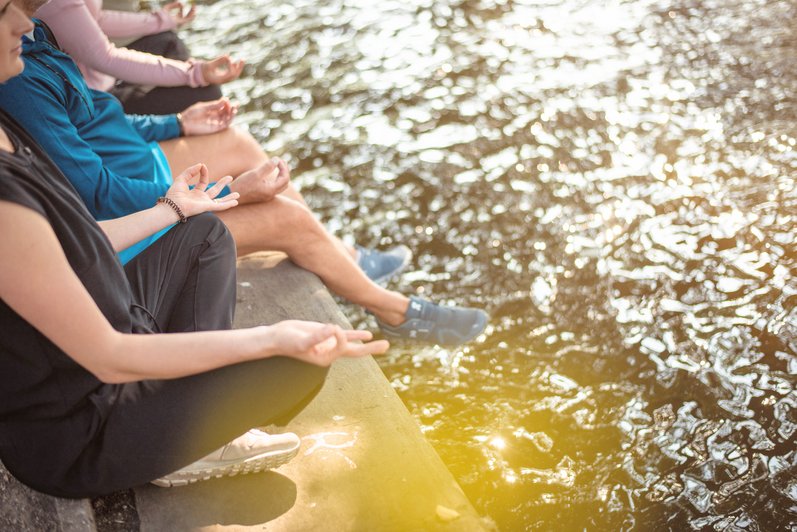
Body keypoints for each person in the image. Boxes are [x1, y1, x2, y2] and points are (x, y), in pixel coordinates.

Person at [0, 0, 389, 497]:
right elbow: (109, 357)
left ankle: (182, 424)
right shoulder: (5, 189)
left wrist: (175, 208)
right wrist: (270, 338)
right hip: (84, 424)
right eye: (4, 12)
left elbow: (75, 240)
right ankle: (182, 443)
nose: (25, 23)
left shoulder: (8, 129)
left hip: (115, 324)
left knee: (203, 232)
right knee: (296, 363)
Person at [0, 0, 489, 347]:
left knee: (237, 142)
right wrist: (227, 192)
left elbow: (96, 117)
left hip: (132, 167)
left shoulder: (33, 35)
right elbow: (99, 195)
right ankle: (395, 312)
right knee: (285, 218)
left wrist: (177, 122)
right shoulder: (18, 75)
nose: (22, 23)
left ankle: (341, 255)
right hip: (128, 225)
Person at [35, 0, 244, 114]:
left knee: (166, 40)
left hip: (102, 76)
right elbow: (105, 57)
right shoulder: (56, 2)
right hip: (95, 99)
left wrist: (161, 20)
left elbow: (94, 20)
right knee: (207, 92)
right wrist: (195, 74)